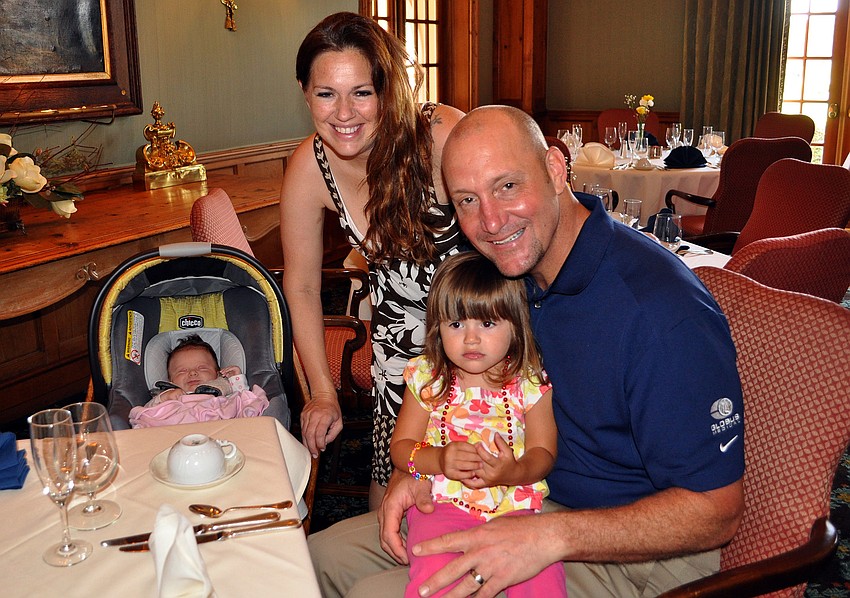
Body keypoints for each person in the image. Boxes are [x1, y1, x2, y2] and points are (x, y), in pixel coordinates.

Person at [307, 105, 745, 598]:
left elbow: (717, 512)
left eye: (508, 186)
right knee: (318, 560)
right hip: (513, 495)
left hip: (633, 551)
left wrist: (548, 536)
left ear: (556, 169)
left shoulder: (659, 311)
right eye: (467, 200)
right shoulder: (508, 276)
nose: (491, 221)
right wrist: (414, 471)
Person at [280, 12, 464, 509]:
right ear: (304, 93)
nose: (344, 113)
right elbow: (301, 286)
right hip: (400, 359)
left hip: (482, 347)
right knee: (388, 510)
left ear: (386, 89)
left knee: (477, 506)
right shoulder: (310, 166)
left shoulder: (439, 136)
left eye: (361, 92)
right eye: (326, 93)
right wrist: (323, 392)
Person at [391, 251, 564, 598]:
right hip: (441, 503)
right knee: (434, 576)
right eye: (456, 324)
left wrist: (514, 472)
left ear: (515, 326)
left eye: (487, 323)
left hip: (515, 507)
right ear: (437, 328)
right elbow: (401, 449)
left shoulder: (530, 382)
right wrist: (439, 459)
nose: (470, 339)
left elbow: (543, 453)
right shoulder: (427, 377)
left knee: (543, 580)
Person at [128, 334, 268, 428]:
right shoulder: (167, 396)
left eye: (202, 368)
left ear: (217, 373)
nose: (192, 373)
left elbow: (244, 402)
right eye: (182, 371)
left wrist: (236, 379)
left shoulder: (222, 391)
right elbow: (145, 414)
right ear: (170, 379)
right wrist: (163, 398)